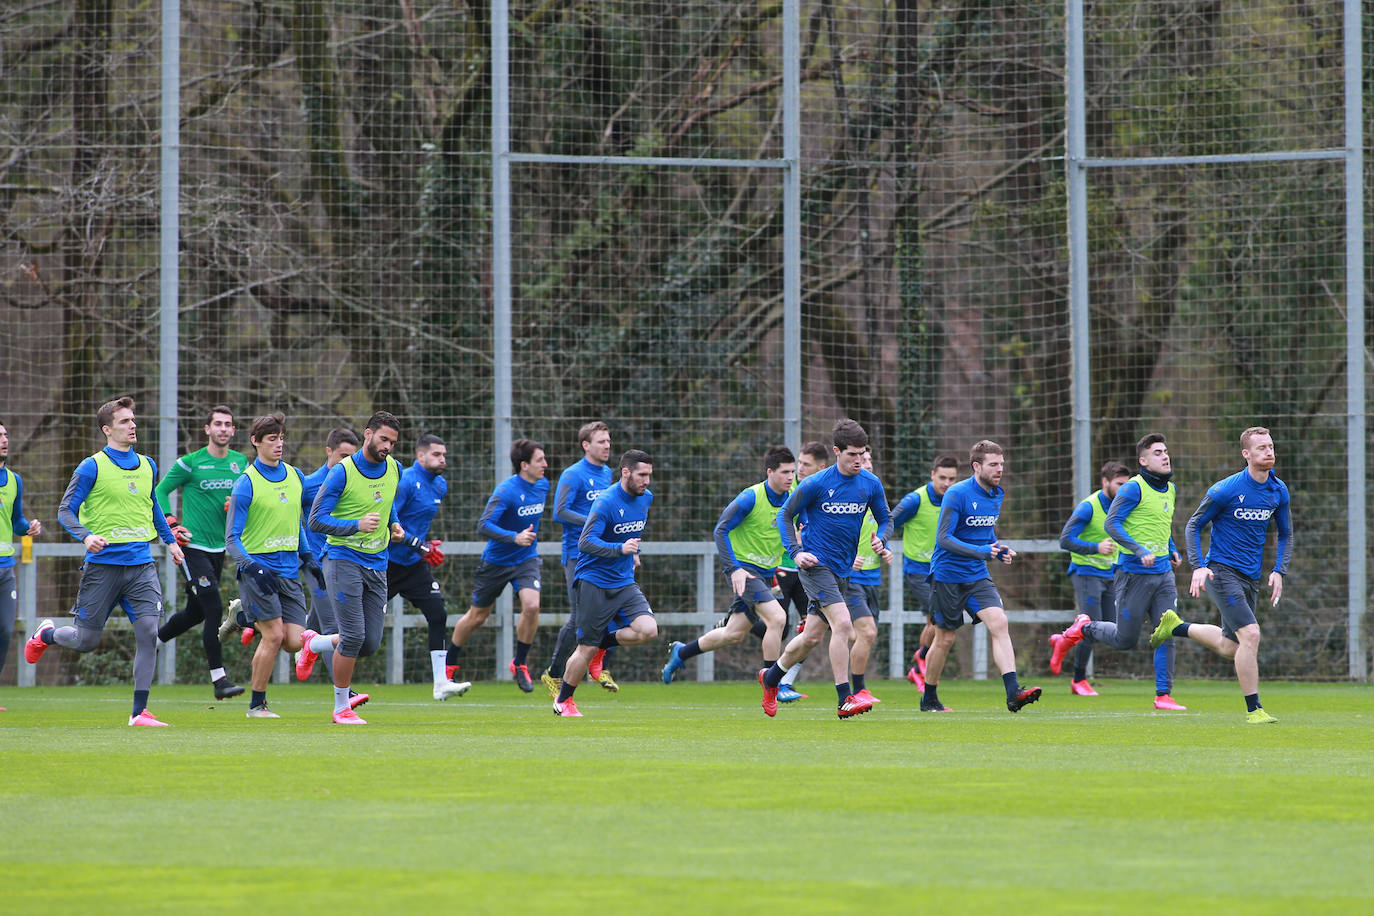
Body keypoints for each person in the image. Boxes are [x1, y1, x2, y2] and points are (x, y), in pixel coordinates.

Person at [26, 397, 185, 726]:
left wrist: (170, 542)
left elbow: (152, 506)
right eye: (125, 421)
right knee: (87, 641)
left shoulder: (148, 465)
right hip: (103, 567)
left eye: (133, 420)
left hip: (141, 565)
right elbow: (65, 510)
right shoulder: (91, 466)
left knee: (148, 632)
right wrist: (85, 536)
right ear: (107, 429)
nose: (132, 426)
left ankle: (138, 712)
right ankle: (48, 634)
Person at [1150, 427, 1290, 724]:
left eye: (1270, 446)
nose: (1269, 451)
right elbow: (1193, 525)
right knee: (1251, 634)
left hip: (1250, 577)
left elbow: (1286, 534)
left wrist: (1279, 570)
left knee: (1232, 647)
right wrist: (1199, 565)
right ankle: (1255, 710)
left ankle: (1176, 627)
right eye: (1261, 447)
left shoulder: (1278, 490)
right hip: (1221, 572)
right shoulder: (1226, 489)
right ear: (1246, 454)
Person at [758, 418, 891, 720]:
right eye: (852, 455)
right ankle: (845, 698)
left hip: (843, 569)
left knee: (812, 637)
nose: (859, 460)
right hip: (816, 565)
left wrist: (881, 538)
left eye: (862, 454)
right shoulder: (816, 484)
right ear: (836, 451)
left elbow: (885, 518)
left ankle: (771, 678)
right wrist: (796, 552)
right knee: (844, 624)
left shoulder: (870, 484)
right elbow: (785, 515)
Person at [1049, 433, 1185, 710]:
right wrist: (1138, 550)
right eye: (1157, 452)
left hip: (1163, 575)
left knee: (1166, 630)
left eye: (1165, 451)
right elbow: (1113, 524)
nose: (1165, 455)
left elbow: (1162, 524)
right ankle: (1083, 627)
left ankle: (1163, 695)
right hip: (1132, 574)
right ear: (1143, 461)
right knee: (1125, 640)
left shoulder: (1170, 489)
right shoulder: (1132, 489)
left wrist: (1171, 547)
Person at [920, 439, 1041, 714]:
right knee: (945, 638)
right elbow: (944, 538)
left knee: (999, 622)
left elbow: (986, 535)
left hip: (976, 574)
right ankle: (929, 697)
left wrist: (998, 548)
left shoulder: (997, 493)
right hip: (947, 575)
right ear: (977, 466)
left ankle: (1014, 693)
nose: (1000, 469)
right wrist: (983, 550)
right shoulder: (956, 494)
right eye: (993, 464)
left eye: (1002, 464)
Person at [302, 411, 405, 724]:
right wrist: (355, 525)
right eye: (383, 438)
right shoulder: (342, 473)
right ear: (368, 434)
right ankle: (340, 708)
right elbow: (316, 520)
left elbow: (388, 503)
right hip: (342, 559)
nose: (387, 446)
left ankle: (314, 642)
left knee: (369, 642)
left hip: (378, 563)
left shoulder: (395, 468)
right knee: (352, 636)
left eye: (393, 442)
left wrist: (395, 524)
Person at [662, 446, 795, 684]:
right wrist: (733, 568)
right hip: (744, 570)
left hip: (765, 573)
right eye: (784, 472)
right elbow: (720, 529)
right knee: (777, 618)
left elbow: (800, 525)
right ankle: (772, 682)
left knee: (733, 633)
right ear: (770, 472)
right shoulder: (750, 497)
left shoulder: (793, 498)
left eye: (792, 472)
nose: (789, 477)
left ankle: (682, 652)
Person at [225, 414, 326, 718]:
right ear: (256, 442)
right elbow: (232, 538)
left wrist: (308, 557)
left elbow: (296, 522)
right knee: (273, 636)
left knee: (294, 642)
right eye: (272, 439)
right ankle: (257, 705)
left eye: (281, 438)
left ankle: (243, 617)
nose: (279, 444)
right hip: (258, 573)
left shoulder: (295, 476)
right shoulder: (247, 483)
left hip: (288, 570)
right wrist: (253, 567)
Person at [553, 450, 659, 717]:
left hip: (624, 581)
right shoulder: (605, 501)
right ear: (626, 472)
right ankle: (563, 700)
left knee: (648, 630)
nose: (647, 481)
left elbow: (631, 532)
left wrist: (633, 552)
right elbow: (585, 543)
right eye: (642, 475)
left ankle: (604, 643)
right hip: (594, 582)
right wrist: (620, 548)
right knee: (585, 648)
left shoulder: (646, 498)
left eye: (649, 475)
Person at [154, 405, 248, 700]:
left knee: (195, 613)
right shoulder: (190, 463)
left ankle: (153, 641)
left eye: (228, 424)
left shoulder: (240, 462)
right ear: (207, 429)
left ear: (233, 431)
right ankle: (219, 681)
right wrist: (171, 523)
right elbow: (159, 492)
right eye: (217, 424)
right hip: (192, 548)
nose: (223, 428)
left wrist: (237, 505)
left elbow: (246, 497)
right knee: (213, 608)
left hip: (220, 549)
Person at [447, 438, 548, 693]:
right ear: (524, 465)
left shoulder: (543, 485)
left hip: (526, 558)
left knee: (532, 606)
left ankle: (520, 662)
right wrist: (514, 537)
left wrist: (522, 542)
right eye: (539, 460)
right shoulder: (506, 491)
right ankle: (448, 665)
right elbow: (484, 525)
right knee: (477, 616)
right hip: (496, 562)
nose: (545, 464)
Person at [388, 434, 470, 701]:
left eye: (444, 454)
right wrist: (417, 543)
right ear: (420, 456)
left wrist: (425, 544)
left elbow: (418, 522)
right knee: (365, 628)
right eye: (436, 454)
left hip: (413, 566)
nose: (442, 459)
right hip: (387, 564)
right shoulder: (407, 481)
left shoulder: (440, 485)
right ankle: (315, 639)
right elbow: (391, 523)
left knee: (438, 614)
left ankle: (440, 684)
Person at [541, 421, 617, 697]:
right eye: (601, 441)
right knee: (579, 618)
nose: (607, 445)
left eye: (608, 441)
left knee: (613, 609)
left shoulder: (608, 473)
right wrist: (594, 522)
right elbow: (560, 512)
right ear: (586, 445)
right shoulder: (573, 474)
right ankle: (554, 673)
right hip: (578, 555)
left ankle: (600, 666)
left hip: (604, 552)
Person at [1053, 461, 1132, 696]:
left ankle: (1063, 640)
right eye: (1119, 484)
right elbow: (1065, 540)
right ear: (1105, 482)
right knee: (1090, 624)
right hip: (1086, 573)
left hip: (1111, 574)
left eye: (1127, 485)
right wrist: (1096, 547)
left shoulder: (1126, 506)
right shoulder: (1089, 507)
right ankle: (1078, 680)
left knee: (1111, 627)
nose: (1124, 489)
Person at [888, 455, 958, 690]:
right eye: (942, 478)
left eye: (952, 478)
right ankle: (921, 662)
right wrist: (881, 544)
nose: (947, 483)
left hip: (944, 571)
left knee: (936, 622)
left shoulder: (956, 499)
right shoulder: (914, 500)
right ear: (932, 475)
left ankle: (919, 666)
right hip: (918, 570)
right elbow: (889, 522)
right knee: (939, 619)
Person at [772, 441, 831, 703]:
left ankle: (785, 681)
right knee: (777, 624)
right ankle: (773, 680)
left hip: (810, 569)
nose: (798, 470)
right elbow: (780, 521)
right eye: (799, 464)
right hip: (782, 566)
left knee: (812, 627)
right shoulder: (792, 489)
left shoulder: (828, 488)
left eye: (805, 465)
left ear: (821, 467)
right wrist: (796, 541)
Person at [842, 448, 892, 705]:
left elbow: (883, 527)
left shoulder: (874, 493)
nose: (866, 463)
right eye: (863, 458)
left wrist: (885, 548)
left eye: (871, 459)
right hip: (851, 579)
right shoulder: (847, 495)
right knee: (868, 632)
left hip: (872, 578)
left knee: (861, 634)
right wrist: (849, 560)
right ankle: (857, 690)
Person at [0, 422, 42, 710]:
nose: (4, 440)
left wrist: (29, 527)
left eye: (4, 435)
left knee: (4, 630)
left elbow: (16, 522)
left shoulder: (14, 480)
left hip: (5, 569)